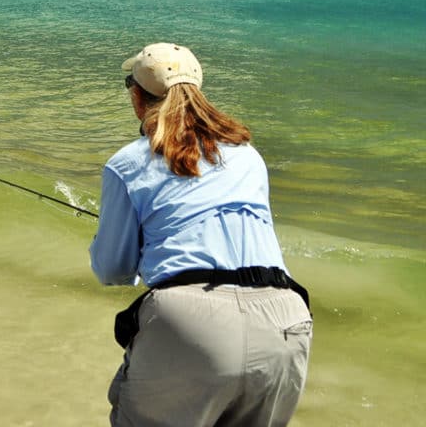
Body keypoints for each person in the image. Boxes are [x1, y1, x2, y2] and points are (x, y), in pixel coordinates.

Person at [90, 43, 312, 427]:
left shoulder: (126, 164)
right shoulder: (248, 155)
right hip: (286, 318)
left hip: (191, 322)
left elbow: (112, 269)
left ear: (137, 97)